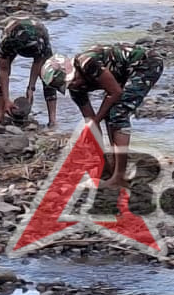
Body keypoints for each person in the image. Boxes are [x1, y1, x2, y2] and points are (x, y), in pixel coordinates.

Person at [42, 41, 164, 188]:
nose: (75, 84)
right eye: (69, 84)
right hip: (122, 73)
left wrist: (97, 120)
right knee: (108, 115)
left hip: (146, 63)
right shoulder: (75, 89)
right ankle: (112, 168)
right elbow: (91, 122)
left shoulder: (88, 63)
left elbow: (115, 92)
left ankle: (119, 177)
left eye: (74, 79)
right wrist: (101, 160)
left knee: (118, 113)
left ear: (75, 69)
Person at [0, 18, 57, 126]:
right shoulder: (7, 41)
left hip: (38, 36)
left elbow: (38, 62)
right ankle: (0, 113)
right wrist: (6, 99)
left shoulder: (41, 42)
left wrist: (31, 88)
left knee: (48, 73)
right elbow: (4, 70)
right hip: (13, 38)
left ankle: (52, 120)